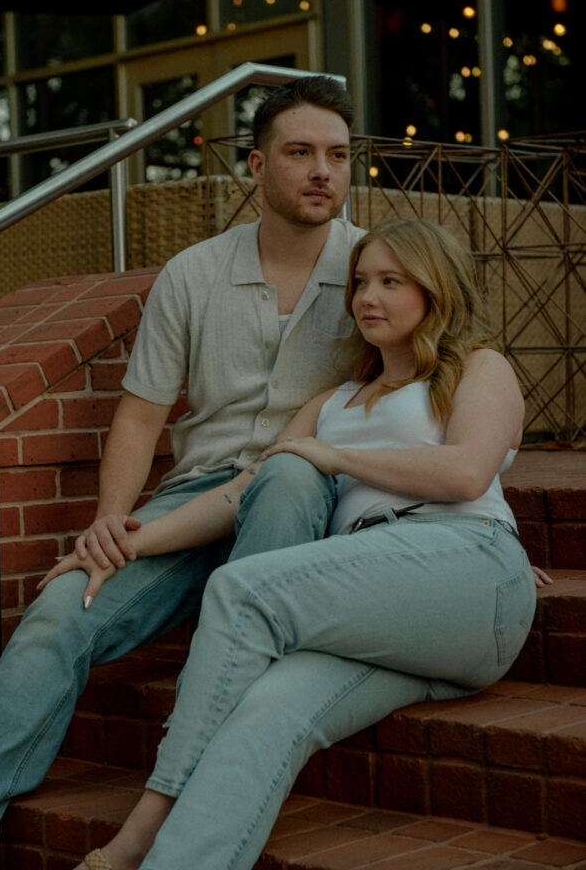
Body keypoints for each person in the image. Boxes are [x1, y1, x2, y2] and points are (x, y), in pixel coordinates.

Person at [0, 76, 364, 870]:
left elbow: (437, 392)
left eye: (337, 155)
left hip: (310, 504)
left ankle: (192, 801)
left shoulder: (373, 268)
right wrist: (111, 523)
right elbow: (142, 416)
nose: (322, 170)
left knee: (286, 480)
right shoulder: (193, 273)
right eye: (300, 153)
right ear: (254, 167)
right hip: (193, 504)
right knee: (58, 609)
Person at [66, 217, 540, 870]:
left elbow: (465, 472)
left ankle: (146, 823)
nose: (367, 297)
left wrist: (334, 456)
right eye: (361, 282)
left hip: (465, 564)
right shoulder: (334, 400)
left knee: (237, 588)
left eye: (391, 282)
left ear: (436, 290)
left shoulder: (478, 369)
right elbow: (239, 495)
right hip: (381, 605)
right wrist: (122, 544)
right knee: (264, 712)